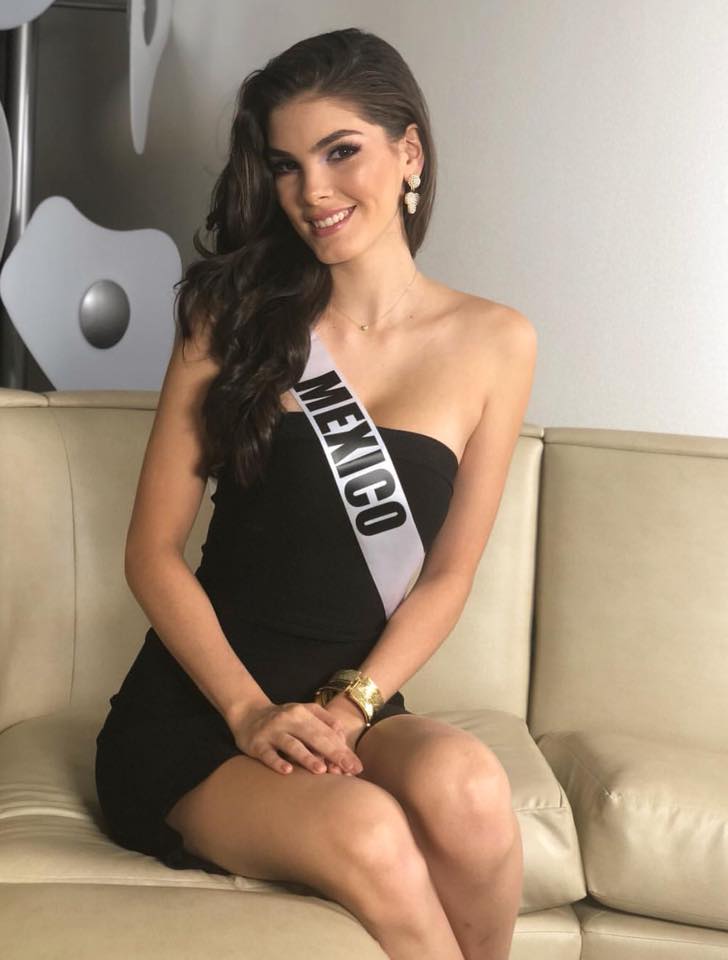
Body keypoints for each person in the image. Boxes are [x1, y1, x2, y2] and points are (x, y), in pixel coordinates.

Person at [95, 26, 536, 960]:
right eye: (287, 166)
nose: (313, 193)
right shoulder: (230, 319)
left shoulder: (496, 342)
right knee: (371, 833)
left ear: (408, 152)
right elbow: (150, 554)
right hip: (203, 714)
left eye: (341, 152)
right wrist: (250, 712)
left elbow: (447, 576)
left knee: (469, 788)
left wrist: (352, 706)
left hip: (350, 707)